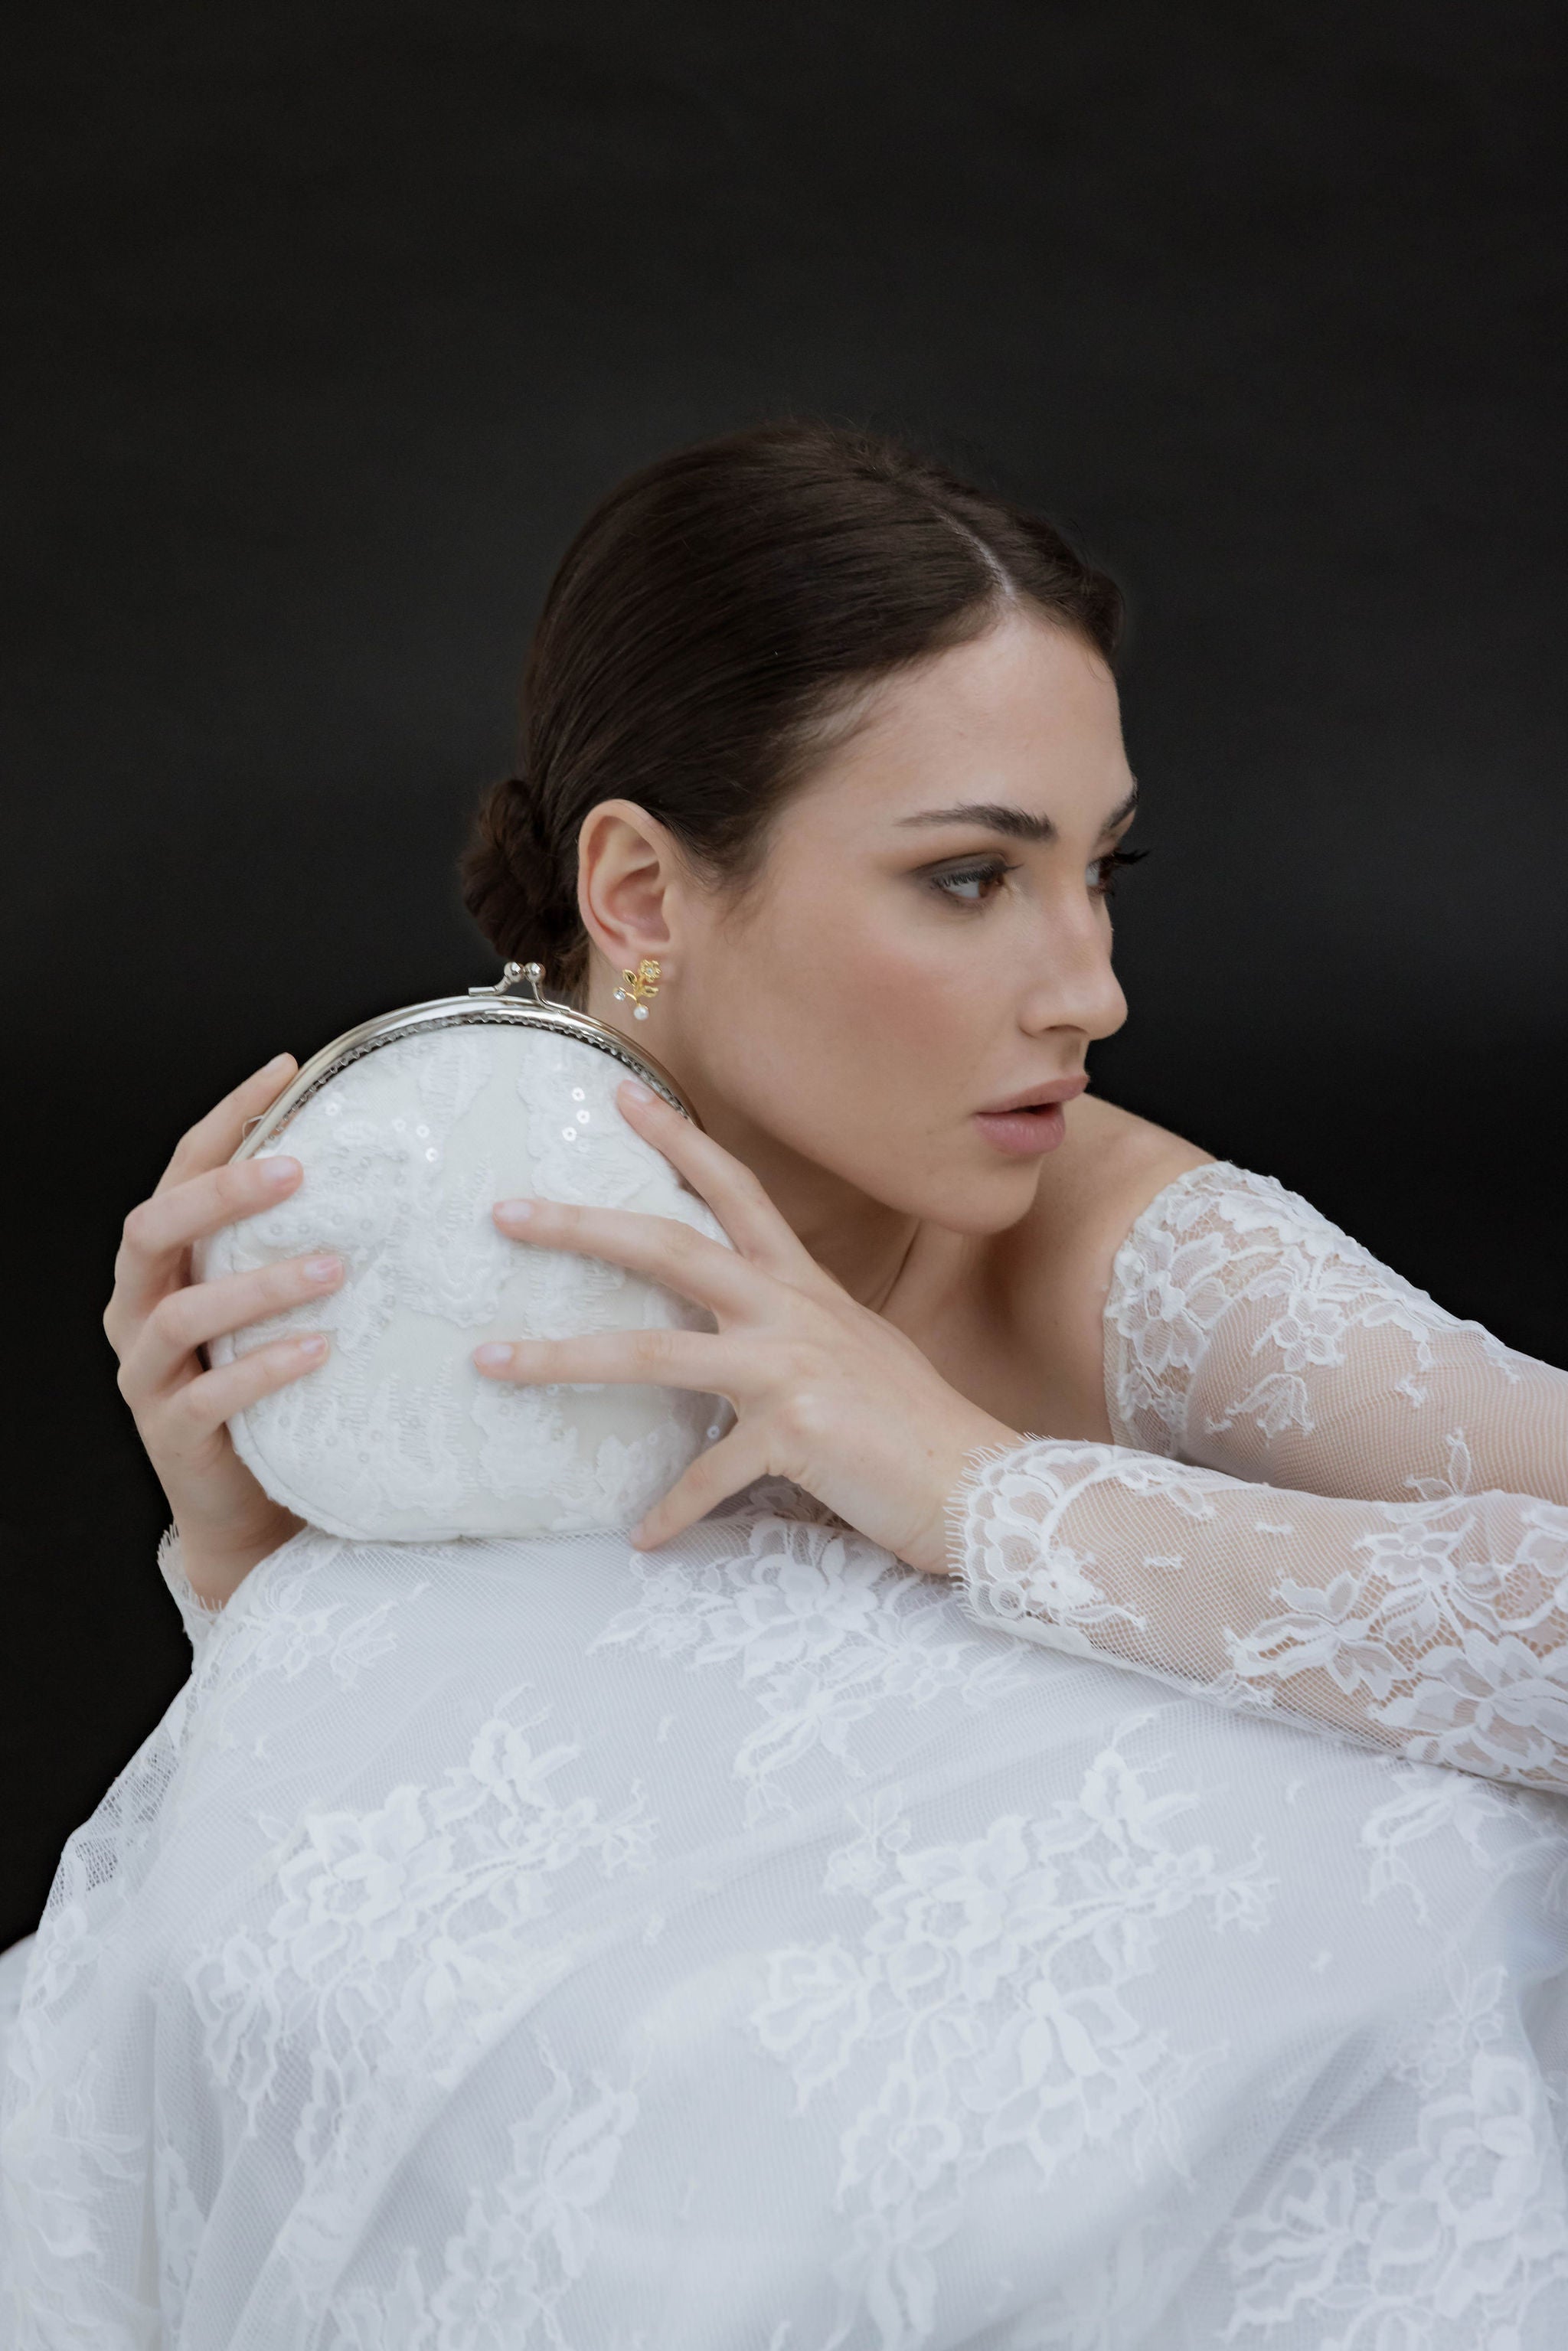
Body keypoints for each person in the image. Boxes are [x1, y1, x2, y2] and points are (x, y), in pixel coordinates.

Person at [3, 422, 1566, 2348]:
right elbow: (412, 1899)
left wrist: (971, 1488)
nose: (1091, 989)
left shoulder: (1121, 1246)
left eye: (1100, 870)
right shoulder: (431, 1196)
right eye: (974, 879)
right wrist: (250, 1575)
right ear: (641, 897)